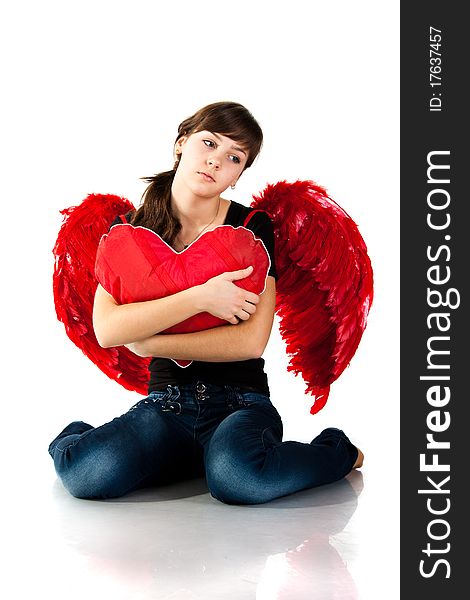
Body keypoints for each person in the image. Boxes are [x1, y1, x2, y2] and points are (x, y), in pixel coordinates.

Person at [48, 101, 363, 504]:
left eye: (233, 157)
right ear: (181, 144)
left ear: (238, 176)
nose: (216, 161)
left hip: (240, 403)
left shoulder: (252, 226)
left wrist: (148, 341)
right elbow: (108, 330)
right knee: (84, 475)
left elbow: (248, 343)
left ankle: (336, 450)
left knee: (240, 482)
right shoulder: (128, 230)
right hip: (167, 403)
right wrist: (202, 297)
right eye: (208, 144)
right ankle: (188, 456)